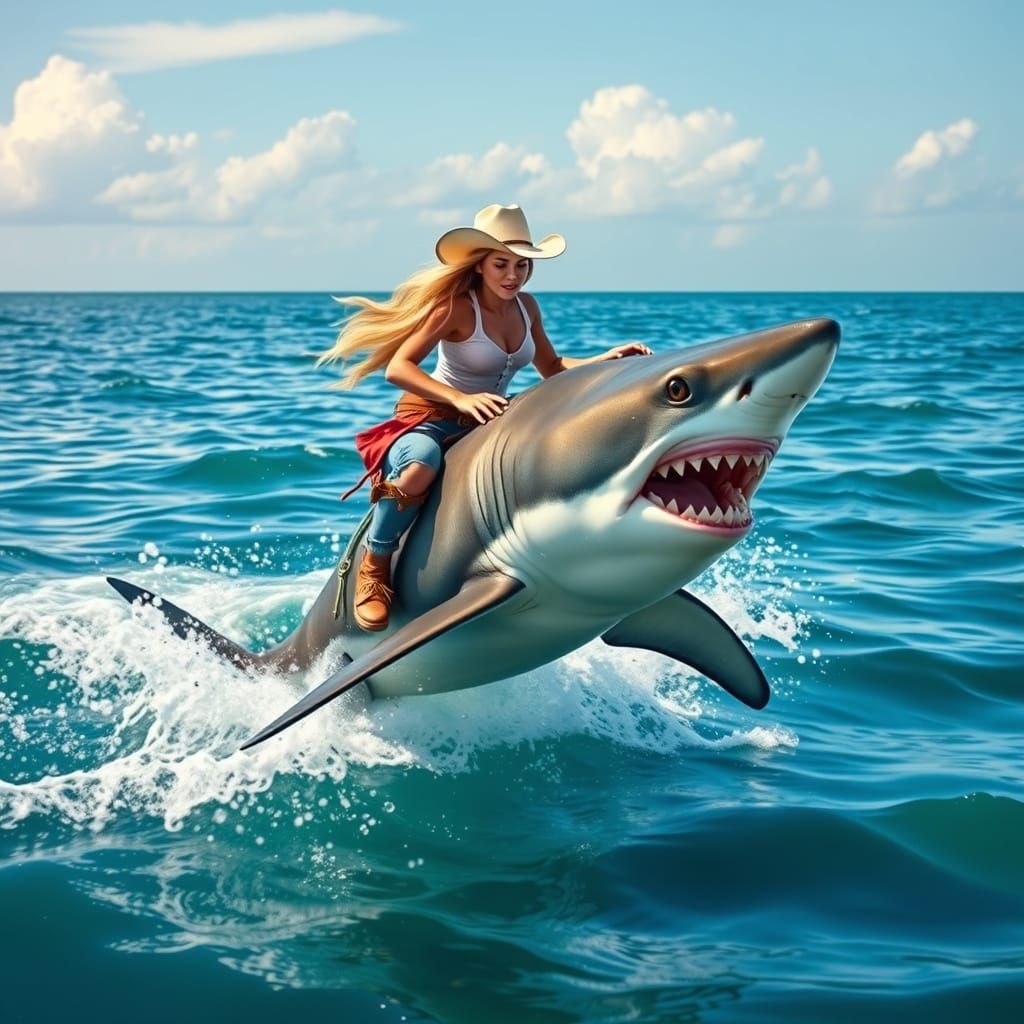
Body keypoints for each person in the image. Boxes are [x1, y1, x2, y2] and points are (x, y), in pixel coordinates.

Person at [318, 204, 651, 632]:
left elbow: (552, 367)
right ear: (479, 265)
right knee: (421, 465)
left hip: (488, 418)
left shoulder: (527, 307)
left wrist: (606, 359)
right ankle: (375, 564)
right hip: (429, 417)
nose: (513, 275)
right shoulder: (455, 308)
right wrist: (459, 399)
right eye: (501, 264)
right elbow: (398, 368)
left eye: (521, 265)